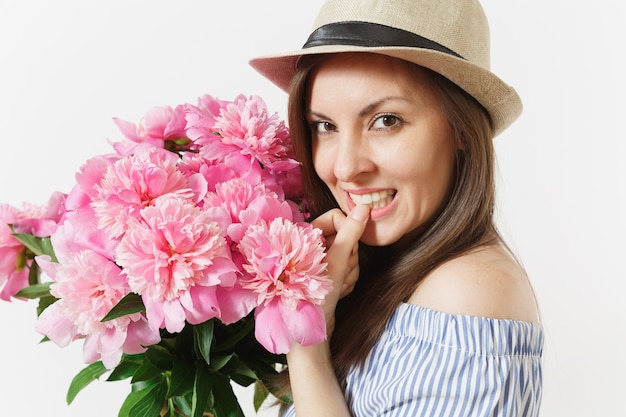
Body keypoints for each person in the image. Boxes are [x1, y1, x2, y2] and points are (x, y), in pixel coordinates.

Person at [250, 0, 543, 416]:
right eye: (325, 126)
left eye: (385, 121)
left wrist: (307, 343)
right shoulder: (382, 271)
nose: (347, 167)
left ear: (460, 127)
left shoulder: (469, 292)